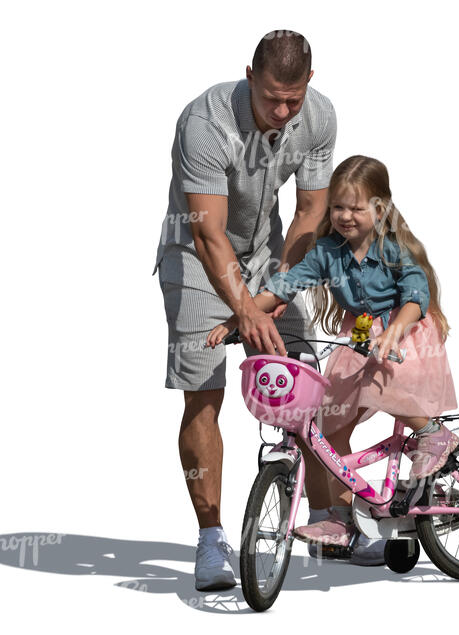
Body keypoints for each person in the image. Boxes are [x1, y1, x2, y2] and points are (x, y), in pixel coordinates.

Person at [152, 30, 339, 590]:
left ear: (310, 83)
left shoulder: (320, 117)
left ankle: (329, 524)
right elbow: (208, 232)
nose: (282, 112)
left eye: (293, 100)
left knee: (302, 378)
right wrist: (243, 310)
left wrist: (274, 294)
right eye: (271, 99)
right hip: (194, 253)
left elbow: (309, 215)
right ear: (250, 76)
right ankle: (211, 542)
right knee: (204, 392)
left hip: (269, 253)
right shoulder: (205, 122)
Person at [207, 155, 458, 554]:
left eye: (356, 208)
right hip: (360, 340)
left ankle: (433, 434)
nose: (345, 215)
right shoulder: (327, 252)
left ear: (380, 208)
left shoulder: (392, 250)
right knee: (331, 426)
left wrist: (394, 330)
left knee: (388, 388)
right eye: (337, 207)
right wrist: (244, 316)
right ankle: (339, 521)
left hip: (403, 336)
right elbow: (286, 284)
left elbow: (416, 295)